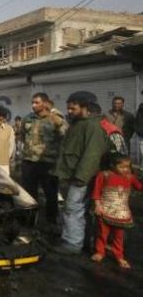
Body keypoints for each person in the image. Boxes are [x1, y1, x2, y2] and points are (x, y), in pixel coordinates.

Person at [53, 96, 109, 254]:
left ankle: (73, 244)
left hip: (81, 177)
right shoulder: (78, 124)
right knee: (73, 209)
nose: (69, 111)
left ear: (85, 107)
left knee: (73, 209)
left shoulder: (92, 126)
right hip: (72, 174)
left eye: (73, 108)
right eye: (68, 108)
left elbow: (92, 155)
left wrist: (81, 177)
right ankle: (74, 239)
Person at [21, 93, 68, 227]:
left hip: (48, 163)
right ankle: (29, 221)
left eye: (36, 102)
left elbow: (64, 138)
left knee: (51, 194)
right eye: (32, 102)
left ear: (45, 103)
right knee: (29, 194)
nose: (33, 105)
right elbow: (23, 136)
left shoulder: (55, 119)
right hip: (29, 162)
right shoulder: (27, 118)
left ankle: (51, 221)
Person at [91, 155, 142, 269]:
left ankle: (119, 255)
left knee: (118, 236)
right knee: (102, 233)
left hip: (121, 213)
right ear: (112, 166)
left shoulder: (130, 177)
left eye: (127, 167)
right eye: (122, 167)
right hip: (105, 210)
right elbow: (96, 192)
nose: (125, 169)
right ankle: (100, 252)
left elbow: (140, 187)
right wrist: (97, 205)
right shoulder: (104, 175)